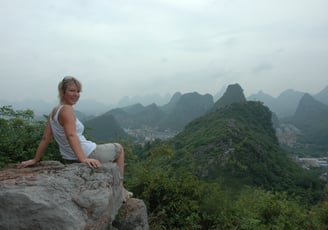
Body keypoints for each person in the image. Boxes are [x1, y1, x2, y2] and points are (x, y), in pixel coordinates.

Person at [18, 76, 132, 201]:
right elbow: (71, 135)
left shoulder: (54, 112)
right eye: (72, 91)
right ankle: (120, 189)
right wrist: (83, 158)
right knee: (119, 149)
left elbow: (46, 138)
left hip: (68, 159)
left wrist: (35, 159)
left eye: (78, 91)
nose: (76, 94)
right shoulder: (67, 109)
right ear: (62, 92)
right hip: (87, 153)